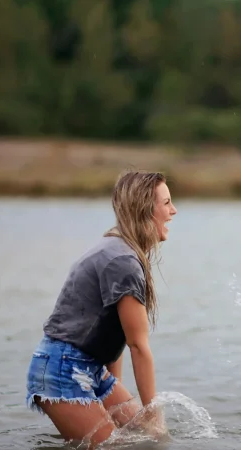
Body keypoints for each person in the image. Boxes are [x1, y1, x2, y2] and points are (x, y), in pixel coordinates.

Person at [25, 170, 177, 448]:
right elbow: (138, 346)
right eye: (166, 203)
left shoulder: (122, 250)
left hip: (89, 367)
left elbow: (113, 333)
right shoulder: (123, 261)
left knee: (150, 438)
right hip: (62, 369)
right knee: (124, 445)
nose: (173, 211)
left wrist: (111, 394)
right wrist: (152, 411)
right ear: (145, 209)